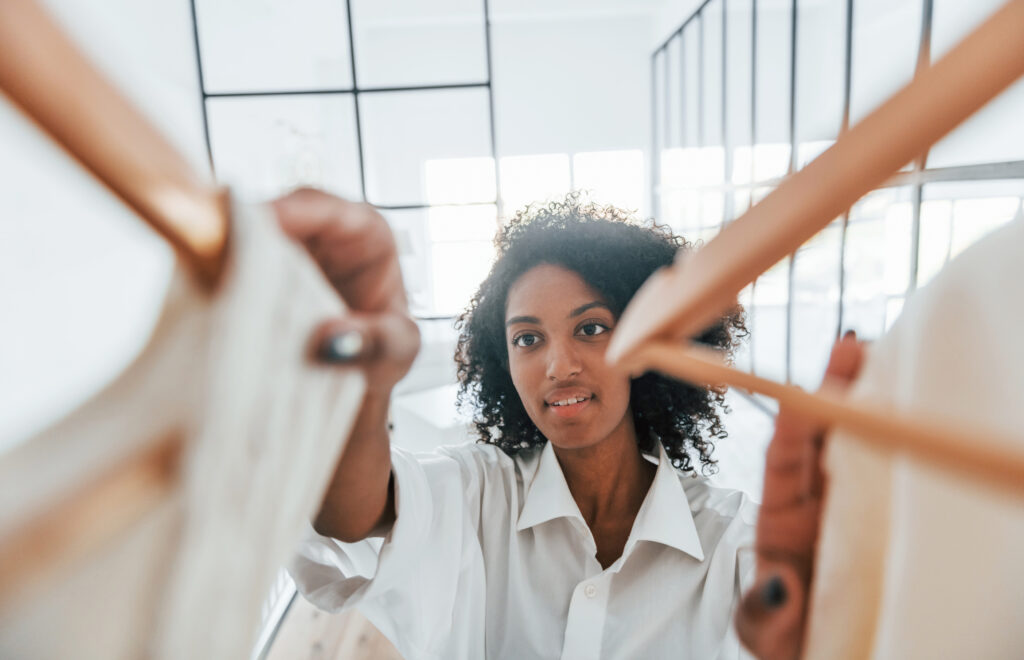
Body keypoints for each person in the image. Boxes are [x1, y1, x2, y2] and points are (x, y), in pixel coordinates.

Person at [275, 189, 862, 659]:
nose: (558, 367)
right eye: (528, 339)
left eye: (591, 328)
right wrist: (365, 386)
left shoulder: (733, 546)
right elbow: (350, 516)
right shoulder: (479, 491)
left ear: (648, 343)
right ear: (502, 362)